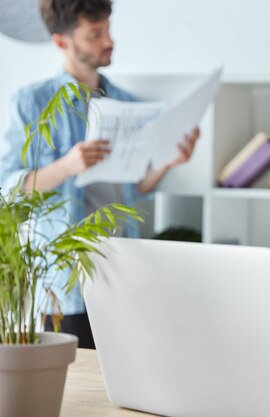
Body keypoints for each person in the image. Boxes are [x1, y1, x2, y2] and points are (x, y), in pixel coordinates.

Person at [0, 0, 199, 348]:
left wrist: (168, 162)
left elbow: (135, 188)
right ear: (62, 41)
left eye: (107, 29)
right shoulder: (31, 102)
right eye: (95, 34)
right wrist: (68, 166)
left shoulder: (126, 102)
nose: (108, 40)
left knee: (126, 375)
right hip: (67, 277)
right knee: (76, 385)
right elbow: (10, 187)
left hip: (125, 268)